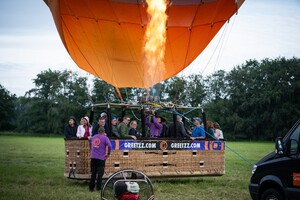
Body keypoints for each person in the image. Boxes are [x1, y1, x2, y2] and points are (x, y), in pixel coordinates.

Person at [88, 127, 111, 192]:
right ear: (104, 132)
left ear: (98, 131)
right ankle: (98, 188)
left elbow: (90, 139)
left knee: (93, 173)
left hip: (93, 157)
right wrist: (108, 153)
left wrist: (91, 148)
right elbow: (109, 146)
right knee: (100, 174)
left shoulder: (94, 136)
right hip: (101, 158)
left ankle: (91, 188)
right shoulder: (105, 138)